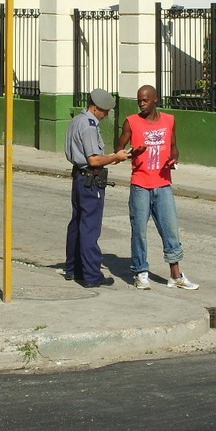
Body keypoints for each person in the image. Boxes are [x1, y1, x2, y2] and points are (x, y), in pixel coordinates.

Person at [116, 84, 198, 290]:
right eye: (139, 100)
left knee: (171, 230)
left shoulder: (169, 120)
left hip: (163, 185)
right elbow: (118, 149)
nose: (141, 104)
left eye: (145, 100)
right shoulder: (131, 122)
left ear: (155, 100)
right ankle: (140, 272)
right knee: (139, 231)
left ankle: (175, 275)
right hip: (140, 185)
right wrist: (132, 154)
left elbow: (173, 147)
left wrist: (174, 158)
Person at [64, 88, 131, 288]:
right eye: (105, 111)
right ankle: (92, 275)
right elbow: (94, 160)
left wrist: (110, 159)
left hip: (78, 177)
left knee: (77, 223)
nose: (106, 115)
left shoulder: (77, 120)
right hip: (90, 180)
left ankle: (73, 268)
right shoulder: (89, 126)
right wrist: (115, 157)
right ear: (96, 108)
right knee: (90, 227)